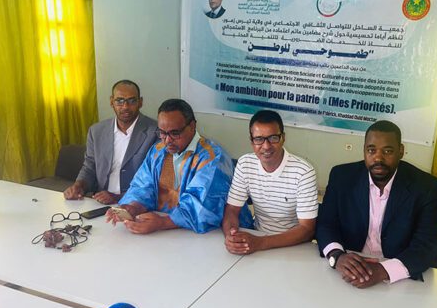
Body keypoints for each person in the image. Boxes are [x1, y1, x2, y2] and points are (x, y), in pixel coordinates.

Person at [316, 120, 437, 288]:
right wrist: (337, 256)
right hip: (348, 271)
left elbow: (428, 244)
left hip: (398, 278)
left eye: (388, 151)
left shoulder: (426, 187)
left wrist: (383, 271)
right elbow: (326, 224)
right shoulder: (342, 176)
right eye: (371, 150)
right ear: (364, 150)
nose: (378, 158)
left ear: (401, 151)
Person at [107, 98, 252, 234]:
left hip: (219, 235)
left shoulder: (213, 157)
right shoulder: (158, 151)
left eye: (175, 133)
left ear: (192, 126)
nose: (167, 140)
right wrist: (133, 207)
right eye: (162, 133)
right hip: (171, 233)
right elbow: (142, 186)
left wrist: (162, 223)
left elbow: (203, 208)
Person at [222, 110, 318, 255]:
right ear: (251, 141)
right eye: (259, 139)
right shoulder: (245, 164)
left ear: (283, 138)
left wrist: (260, 243)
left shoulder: (303, 172)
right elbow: (232, 210)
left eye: (273, 138)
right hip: (258, 238)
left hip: (293, 245)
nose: (266, 146)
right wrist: (231, 236)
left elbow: (307, 229)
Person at [63, 80, 158, 204]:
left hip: (137, 204)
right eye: (119, 101)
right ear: (111, 101)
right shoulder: (96, 131)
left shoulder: (155, 132)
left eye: (131, 101)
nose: (125, 106)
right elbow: (89, 167)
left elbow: (155, 179)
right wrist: (79, 186)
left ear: (140, 102)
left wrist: (119, 197)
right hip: (99, 201)